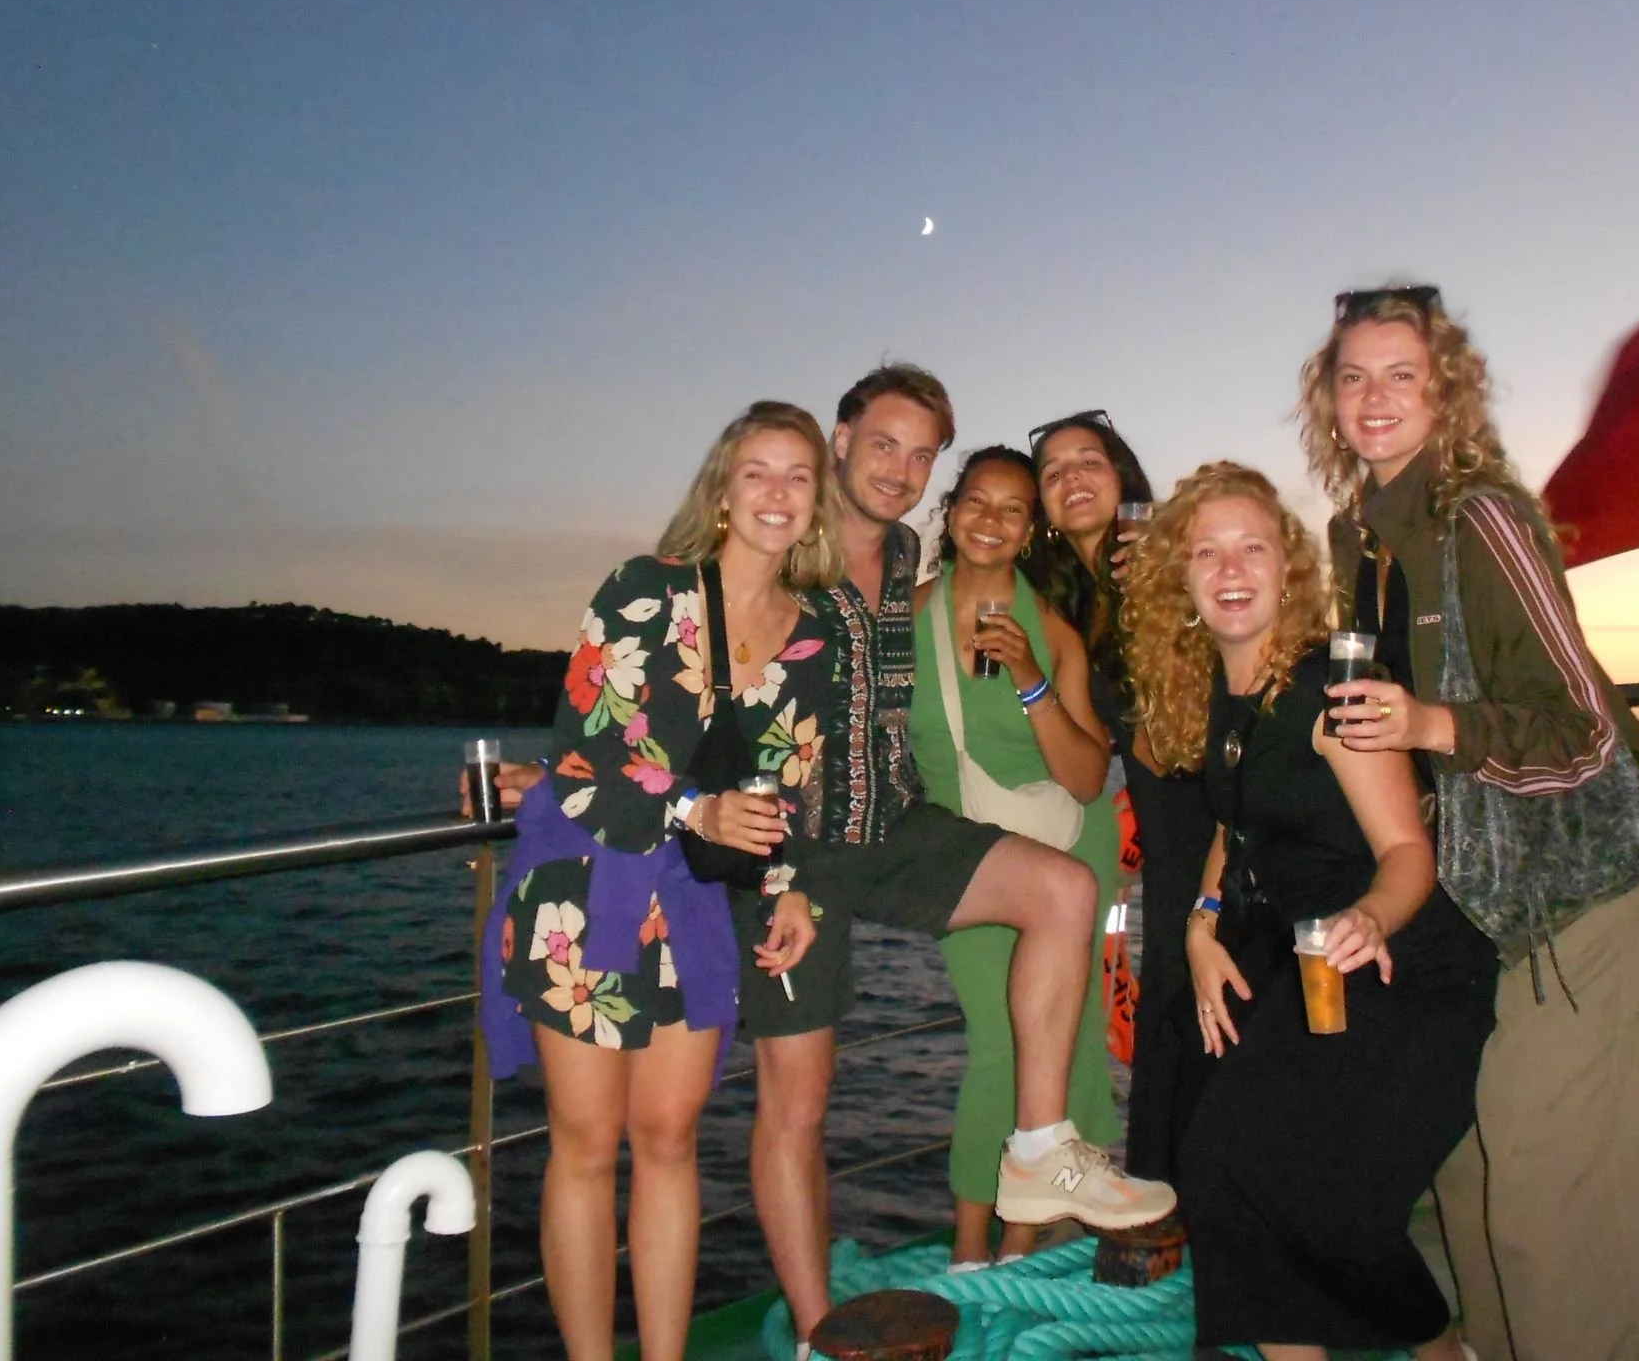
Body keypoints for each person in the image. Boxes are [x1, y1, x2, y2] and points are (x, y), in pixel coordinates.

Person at [480, 366, 1175, 1352]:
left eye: (921, 454)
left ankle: (1038, 1148)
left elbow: (788, 734)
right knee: (790, 1101)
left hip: (878, 827)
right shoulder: (770, 574)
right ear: (838, 443)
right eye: (881, 445)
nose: (899, 470)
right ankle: (817, 1331)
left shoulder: (900, 565)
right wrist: (559, 777)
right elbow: (643, 714)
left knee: (1062, 889)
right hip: (772, 851)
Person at [1298, 286, 1639, 1361]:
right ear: (1328, 399)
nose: (1374, 397)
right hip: (1481, 891)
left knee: (1543, 1183)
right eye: (1353, 377)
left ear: (1447, 392)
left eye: (1401, 375)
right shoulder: (1355, 537)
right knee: (1464, 1162)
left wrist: (1430, 722)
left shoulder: (1483, 518)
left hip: (1587, 877)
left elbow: (1582, 729)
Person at [478, 401, 835, 1361]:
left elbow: (790, 777)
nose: (776, 493)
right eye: (756, 472)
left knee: (671, 1139)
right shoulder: (647, 591)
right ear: (722, 491)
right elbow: (584, 757)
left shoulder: (814, 636)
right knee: (587, 1142)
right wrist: (694, 811)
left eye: (797, 476)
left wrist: (788, 885)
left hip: (690, 904)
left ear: (817, 502)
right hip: (585, 887)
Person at [1122, 461, 1495, 1361]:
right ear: (1180, 581)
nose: (1230, 568)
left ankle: (1444, 1351)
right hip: (1304, 958)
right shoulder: (1217, 691)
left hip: (1400, 964)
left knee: (1321, 1202)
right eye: (1206, 553)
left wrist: (1372, 918)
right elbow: (1236, 821)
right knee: (1223, 1169)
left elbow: (1408, 853)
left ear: (1287, 570)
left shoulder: (1334, 689)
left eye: (1252, 547)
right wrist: (1200, 923)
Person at [908, 445, 1121, 1268]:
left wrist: (1032, 678)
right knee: (1001, 1044)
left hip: (1066, 845)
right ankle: (974, 1251)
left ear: (1031, 531)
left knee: (1065, 1043)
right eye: (977, 501)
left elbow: (1088, 776)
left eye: (1013, 509)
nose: (991, 521)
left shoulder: (1054, 632)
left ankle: (1019, 1248)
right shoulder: (904, 619)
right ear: (951, 508)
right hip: (966, 857)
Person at [1022, 411, 1214, 1181]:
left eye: (1088, 461)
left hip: (1220, 826)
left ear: (1122, 476)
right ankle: (1173, 1211)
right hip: (1165, 838)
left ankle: (1207, 1213)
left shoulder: (1170, 562)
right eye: (1053, 470)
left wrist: (1172, 586)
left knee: (1212, 1025)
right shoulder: (1068, 602)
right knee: (1176, 1028)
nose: (1072, 477)